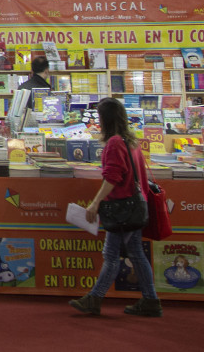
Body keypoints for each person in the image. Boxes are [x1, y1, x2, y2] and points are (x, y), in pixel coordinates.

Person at [69, 98, 162, 317]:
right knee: (136, 253)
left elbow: (112, 176)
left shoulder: (114, 143)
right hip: (136, 205)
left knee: (111, 254)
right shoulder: (131, 141)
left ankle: (95, 298)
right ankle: (150, 300)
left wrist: (95, 202)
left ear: (104, 119)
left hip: (122, 206)